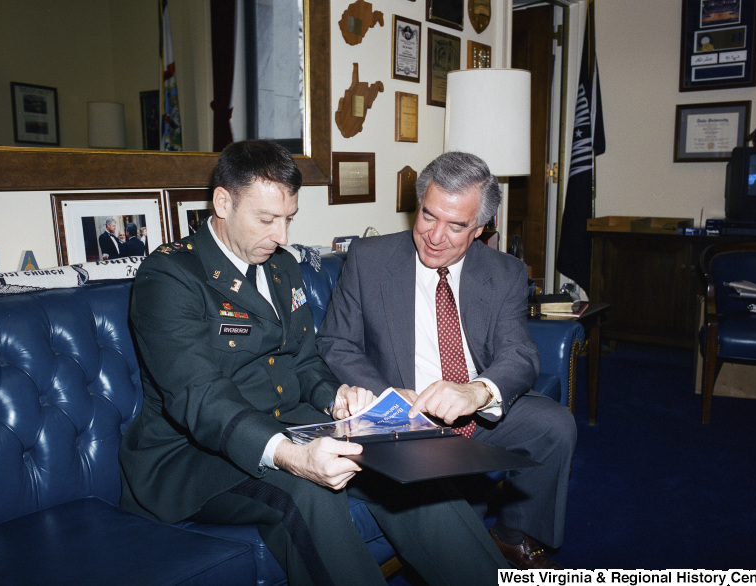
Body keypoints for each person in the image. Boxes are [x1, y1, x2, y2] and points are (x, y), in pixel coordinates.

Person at [118, 140, 507, 585]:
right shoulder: (170, 276)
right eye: (267, 220)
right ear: (222, 202)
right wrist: (291, 456)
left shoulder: (282, 266)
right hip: (190, 457)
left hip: (291, 422)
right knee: (308, 488)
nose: (282, 236)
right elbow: (201, 398)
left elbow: (304, 361)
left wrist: (337, 397)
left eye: (288, 219)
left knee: (398, 448)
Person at [316, 151, 577, 570]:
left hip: (471, 406)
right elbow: (336, 342)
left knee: (554, 425)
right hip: (403, 417)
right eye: (428, 216)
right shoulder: (369, 260)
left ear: (479, 229)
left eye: (456, 226)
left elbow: (519, 352)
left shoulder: (505, 271)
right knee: (457, 533)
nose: (435, 236)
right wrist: (390, 399)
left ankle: (513, 534)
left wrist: (477, 390)